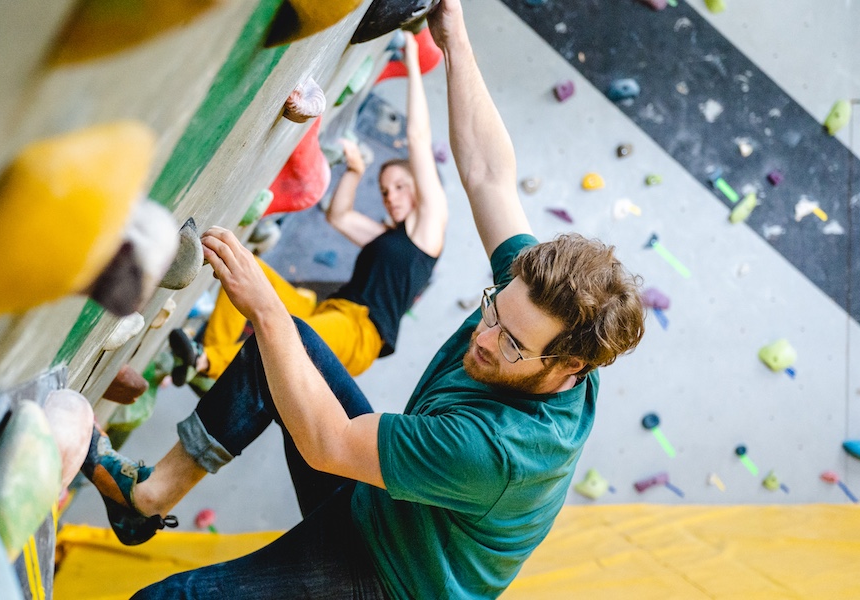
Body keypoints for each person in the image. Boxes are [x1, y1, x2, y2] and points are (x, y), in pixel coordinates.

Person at [79, 0, 646, 597]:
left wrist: (265, 308)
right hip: (386, 505)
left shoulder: (497, 451)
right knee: (289, 348)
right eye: (492, 312)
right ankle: (145, 499)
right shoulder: (536, 303)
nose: (483, 338)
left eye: (510, 343)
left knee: (167, 599)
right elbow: (488, 175)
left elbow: (327, 444)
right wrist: (455, 41)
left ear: (569, 367)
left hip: (391, 580)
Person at [168, 32, 446, 388]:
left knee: (290, 339)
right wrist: (355, 173)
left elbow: (419, 139)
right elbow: (339, 217)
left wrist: (411, 60)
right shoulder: (389, 239)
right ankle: (206, 353)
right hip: (327, 311)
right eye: (384, 190)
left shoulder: (429, 230)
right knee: (241, 266)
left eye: (400, 186)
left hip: (359, 334)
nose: (391, 196)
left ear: (420, 188)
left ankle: (207, 362)